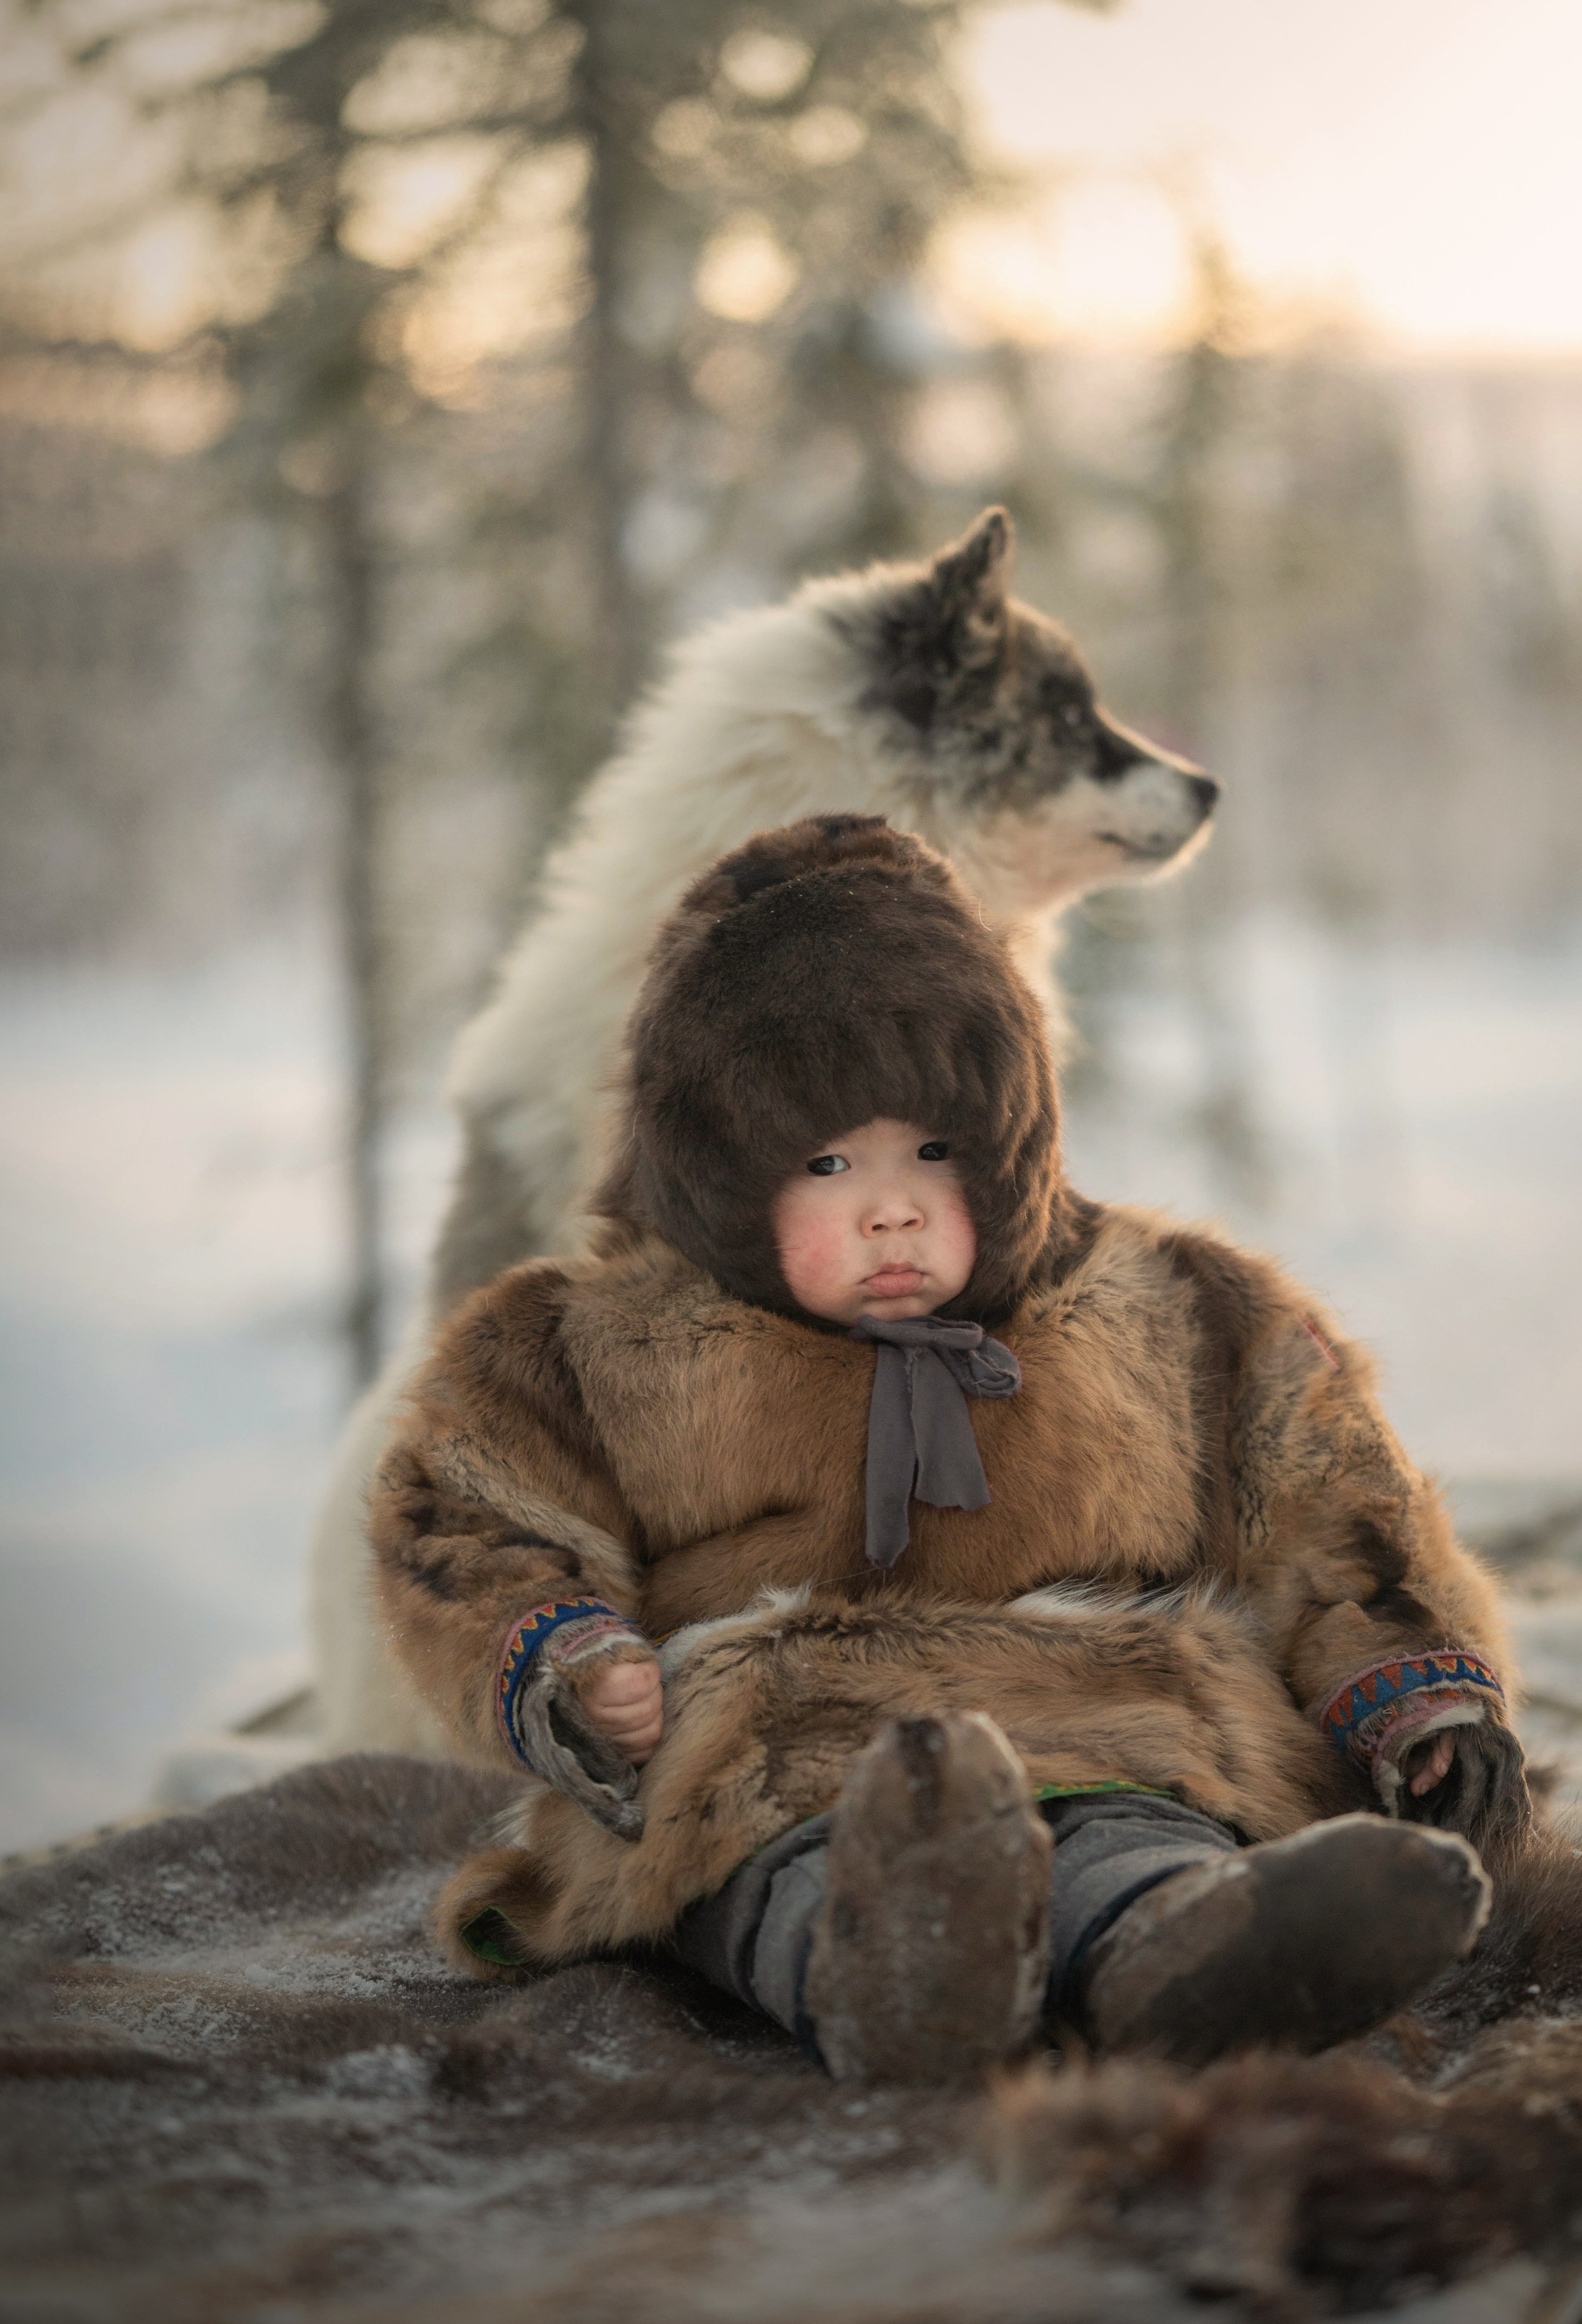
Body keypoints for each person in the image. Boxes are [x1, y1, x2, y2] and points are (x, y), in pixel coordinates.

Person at [369, 816, 1528, 2084]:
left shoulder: (1183, 1310)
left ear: (1013, 1143)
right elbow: (470, 1519)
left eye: (934, 1150)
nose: (892, 1207)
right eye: (826, 1163)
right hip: (767, 1754)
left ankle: (1182, 1949)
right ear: (718, 1172)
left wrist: (1414, 1688)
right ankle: (888, 1971)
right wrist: (566, 1658)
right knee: (774, 1867)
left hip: (1107, 1718)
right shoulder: (582, 1349)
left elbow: (1337, 1510)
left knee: (1136, 1839)